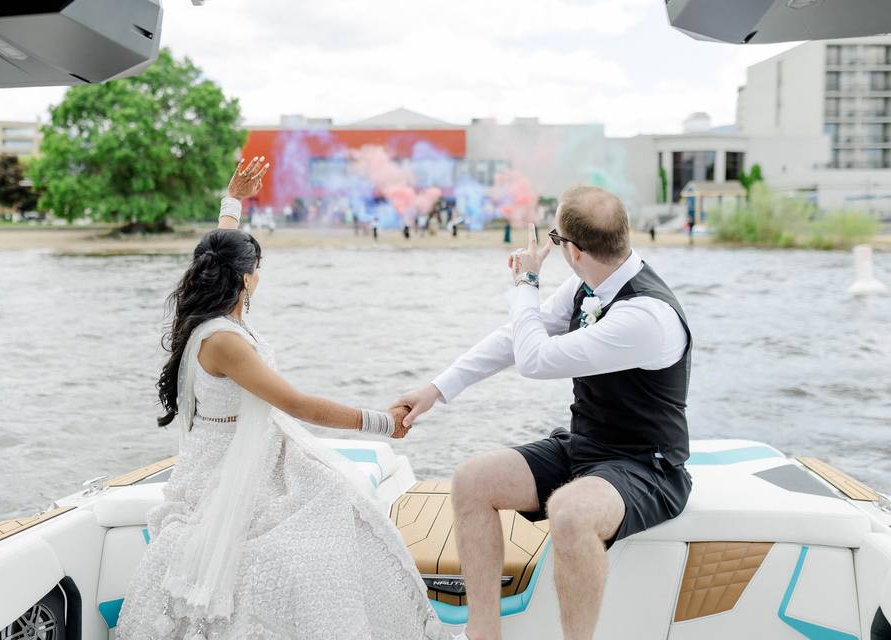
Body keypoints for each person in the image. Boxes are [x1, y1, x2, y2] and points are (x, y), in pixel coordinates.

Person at [116, 157, 447, 640]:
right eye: (257, 269)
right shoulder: (224, 340)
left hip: (251, 445)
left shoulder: (205, 311)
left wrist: (234, 201)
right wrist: (383, 423)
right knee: (332, 506)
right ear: (246, 278)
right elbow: (298, 405)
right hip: (231, 462)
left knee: (338, 493)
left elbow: (220, 244)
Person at [393, 186, 693, 640]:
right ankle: (482, 634)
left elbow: (535, 361)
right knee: (472, 480)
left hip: (647, 465)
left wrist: (525, 285)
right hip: (587, 448)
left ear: (570, 250)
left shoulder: (646, 316)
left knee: (569, 513)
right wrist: (438, 388)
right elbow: (517, 339)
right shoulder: (586, 285)